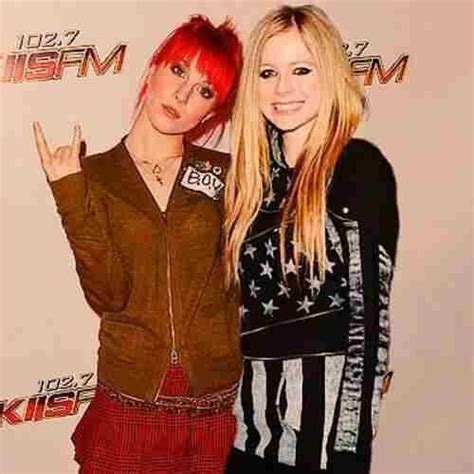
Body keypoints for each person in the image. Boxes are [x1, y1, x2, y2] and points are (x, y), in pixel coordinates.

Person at [33, 15, 242, 474]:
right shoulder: (97, 176)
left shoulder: (230, 173)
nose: (184, 95)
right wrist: (70, 195)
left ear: (212, 112)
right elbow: (107, 294)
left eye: (205, 91)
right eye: (179, 71)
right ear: (153, 70)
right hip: (130, 400)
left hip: (209, 407)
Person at [224, 5, 399, 474]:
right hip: (248, 440)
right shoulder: (250, 184)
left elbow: (368, 326)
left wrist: (348, 451)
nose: (283, 89)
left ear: (331, 75)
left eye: (302, 69)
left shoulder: (357, 170)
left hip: (321, 453)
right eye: (268, 72)